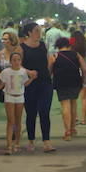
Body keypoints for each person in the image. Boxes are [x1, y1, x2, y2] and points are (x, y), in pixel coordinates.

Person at [21, 23, 55, 153]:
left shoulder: (43, 45)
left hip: (45, 82)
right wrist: (28, 72)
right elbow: (17, 64)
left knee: (44, 111)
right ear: (29, 33)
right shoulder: (22, 48)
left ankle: (47, 141)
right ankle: (30, 140)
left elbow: (48, 61)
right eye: (36, 30)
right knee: (31, 113)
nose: (39, 33)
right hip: (30, 84)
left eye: (39, 30)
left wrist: (48, 72)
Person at [50, 37, 86, 141]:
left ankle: (67, 131)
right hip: (75, 81)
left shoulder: (55, 56)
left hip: (61, 82)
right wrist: (82, 79)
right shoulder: (76, 54)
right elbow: (85, 69)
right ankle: (73, 128)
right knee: (73, 104)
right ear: (68, 45)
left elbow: (49, 70)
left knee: (65, 105)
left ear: (58, 46)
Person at [0, 50, 33, 154]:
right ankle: (9, 145)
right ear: (10, 61)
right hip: (9, 96)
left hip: (20, 97)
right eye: (14, 60)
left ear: (21, 61)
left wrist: (32, 78)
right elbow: (1, 84)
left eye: (18, 60)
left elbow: (25, 83)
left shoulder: (23, 72)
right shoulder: (6, 72)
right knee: (10, 121)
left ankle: (17, 143)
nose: (16, 62)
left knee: (18, 121)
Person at [70, 30, 86, 126]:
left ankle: (75, 117)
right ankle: (83, 119)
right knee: (85, 98)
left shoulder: (71, 50)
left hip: (74, 74)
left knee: (73, 98)